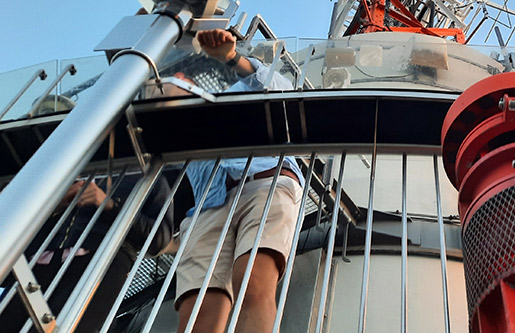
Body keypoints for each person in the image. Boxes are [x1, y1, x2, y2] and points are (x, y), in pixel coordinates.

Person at [174, 28, 303, 333]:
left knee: (253, 282)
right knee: (197, 315)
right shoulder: (181, 115)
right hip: (208, 205)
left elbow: (282, 91)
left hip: (264, 181)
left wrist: (232, 59)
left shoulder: (242, 88)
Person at [2, 173, 173, 332]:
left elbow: (159, 239)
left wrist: (110, 205)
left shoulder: (150, 177)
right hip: (37, 262)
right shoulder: (64, 168)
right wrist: (55, 205)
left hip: (100, 263)